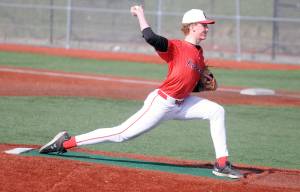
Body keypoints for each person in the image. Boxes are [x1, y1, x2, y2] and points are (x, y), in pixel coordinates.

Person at [39, 5, 243, 179]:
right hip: (162, 103)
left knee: (216, 111)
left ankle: (221, 163)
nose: (207, 28)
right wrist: (140, 13)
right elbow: (150, 37)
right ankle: (65, 143)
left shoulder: (199, 54)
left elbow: (187, 82)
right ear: (191, 26)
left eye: (207, 25)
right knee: (121, 134)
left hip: (182, 103)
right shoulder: (176, 46)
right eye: (203, 25)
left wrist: (201, 86)